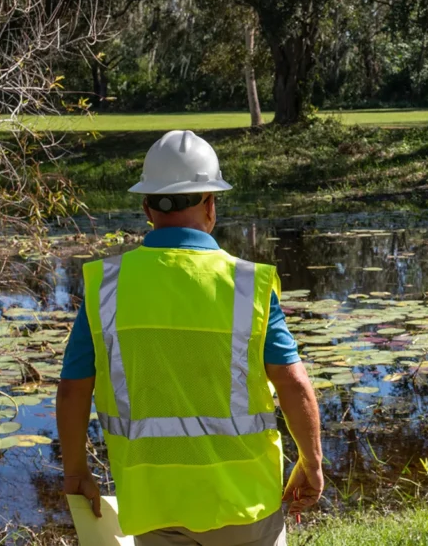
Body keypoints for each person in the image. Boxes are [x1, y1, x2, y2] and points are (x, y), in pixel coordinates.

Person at [57, 130, 324, 546]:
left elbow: (73, 391)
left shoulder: (104, 287)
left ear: (147, 207)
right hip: (244, 505)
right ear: (211, 204)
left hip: (152, 507)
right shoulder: (247, 285)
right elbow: (292, 383)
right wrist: (312, 462)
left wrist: (76, 472)